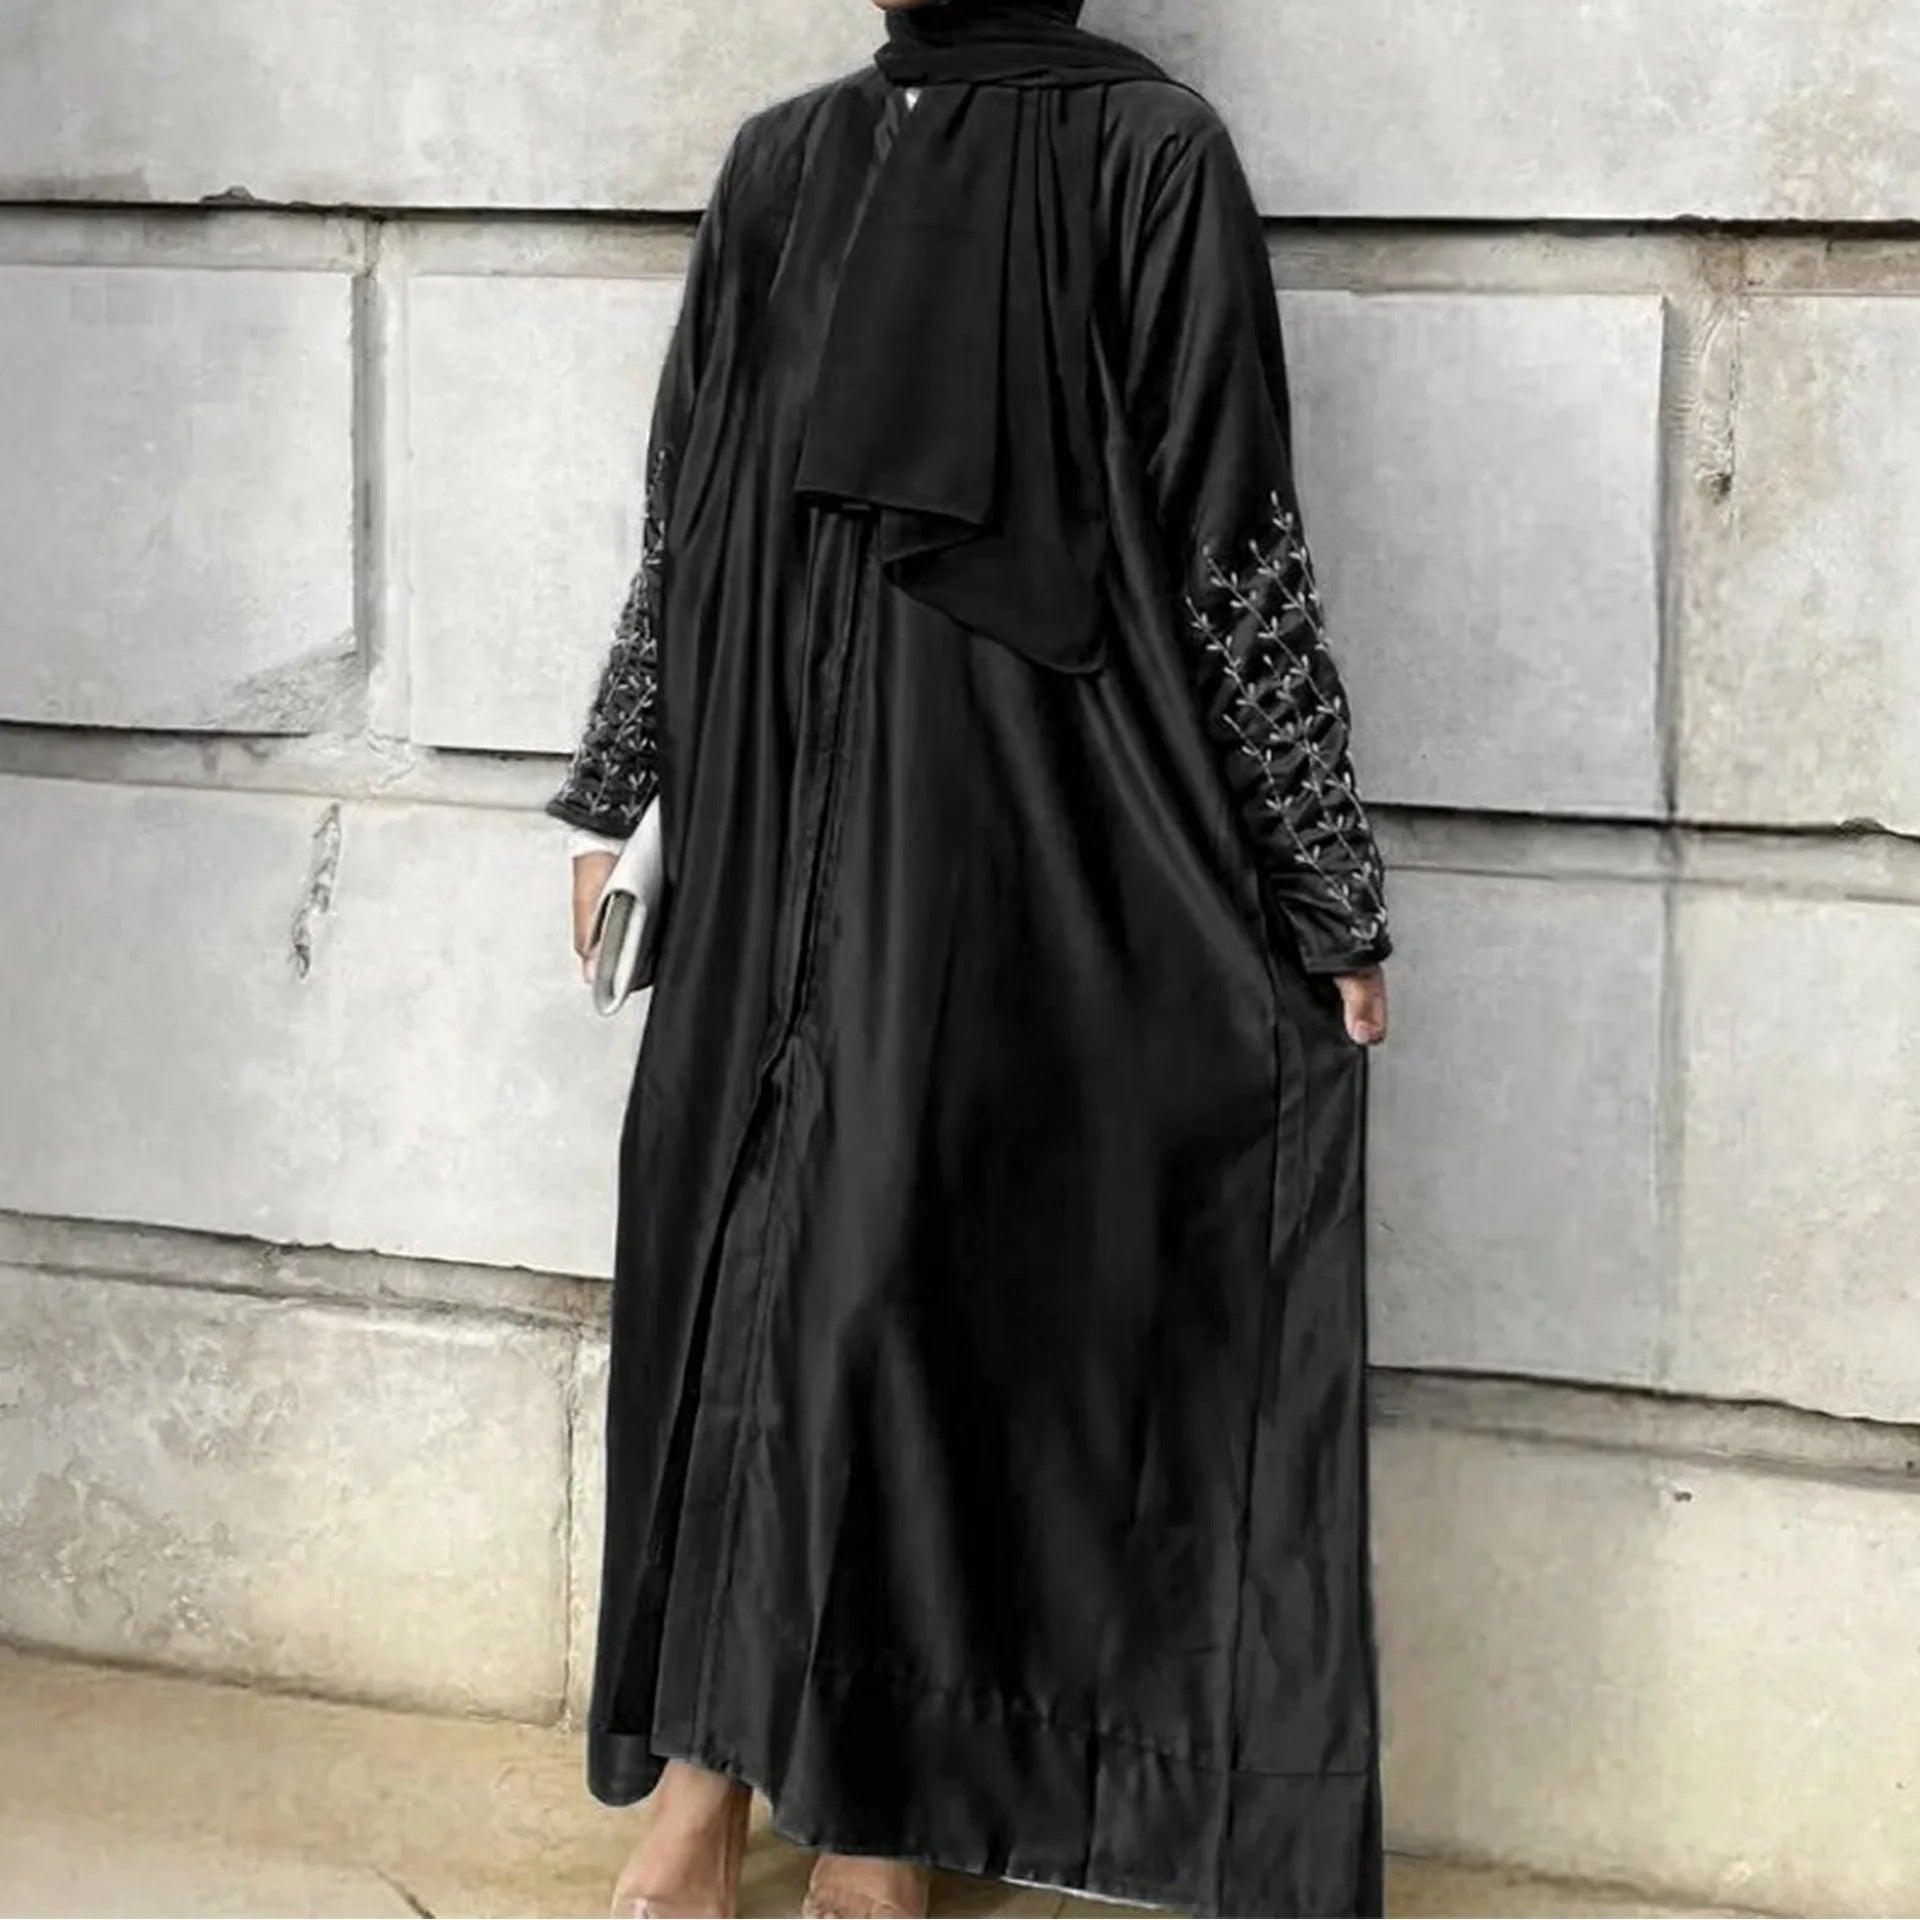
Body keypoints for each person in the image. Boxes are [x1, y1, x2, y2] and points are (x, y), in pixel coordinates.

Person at [548, 1, 1393, 1913]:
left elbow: (1226, 529)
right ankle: (707, 1787)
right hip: (781, 806)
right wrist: (621, 783)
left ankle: (871, 1809)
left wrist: (1319, 880)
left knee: (902, 1290)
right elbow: (691, 504)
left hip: (1017, 826)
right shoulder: (784, 160)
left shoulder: (1151, 159)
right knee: (744, 1266)